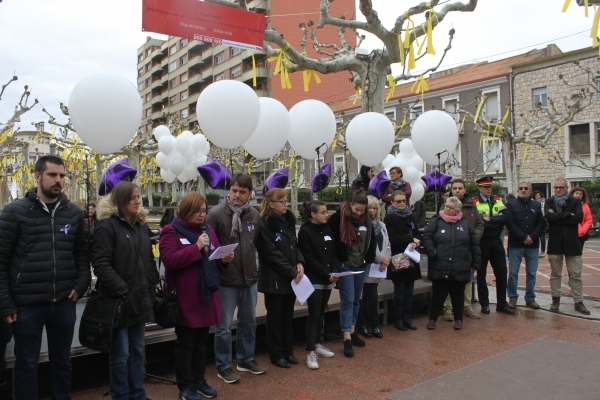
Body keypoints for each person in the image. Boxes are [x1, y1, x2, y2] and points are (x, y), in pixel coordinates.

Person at [0, 155, 90, 400]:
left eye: (61, 175)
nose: (58, 180)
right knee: (27, 364)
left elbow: (81, 254)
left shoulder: (72, 213)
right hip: (26, 305)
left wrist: (80, 285)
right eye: (52, 175)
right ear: (38, 176)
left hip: (63, 302)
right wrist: (6, 303)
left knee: (62, 361)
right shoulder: (14, 213)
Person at [160, 193, 234, 400]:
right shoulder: (170, 231)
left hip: (206, 296)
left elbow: (214, 256)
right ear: (186, 210)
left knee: (201, 342)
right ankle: (185, 385)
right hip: (185, 298)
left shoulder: (208, 230)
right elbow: (170, 260)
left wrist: (225, 258)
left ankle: (199, 380)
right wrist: (196, 248)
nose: (202, 215)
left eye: (204, 211)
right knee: (186, 344)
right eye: (197, 211)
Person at [93, 181, 159, 400]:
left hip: (140, 299)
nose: (137, 201)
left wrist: (151, 281)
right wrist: (122, 288)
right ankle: (121, 395)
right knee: (120, 354)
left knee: (137, 351)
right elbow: (101, 264)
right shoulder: (107, 226)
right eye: (132, 198)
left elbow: (148, 257)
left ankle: (138, 393)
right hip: (118, 302)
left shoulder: (140, 225)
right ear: (121, 201)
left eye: (138, 197)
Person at [206, 174, 266, 382]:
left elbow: (253, 244)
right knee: (223, 326)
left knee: (248, 322)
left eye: (242, 192)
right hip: (225, 281)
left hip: (249, 277)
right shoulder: (215, 215)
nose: (237, 195)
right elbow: (209, 247)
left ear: (250, 193)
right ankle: (223, 365)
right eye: (234, 191)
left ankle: (245, 358)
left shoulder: (254, 215)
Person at [256, 189, 304, 368]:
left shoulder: (288, 222)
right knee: (275, 318)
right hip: (274, 280)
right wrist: (292, 272)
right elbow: (271, 255)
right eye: (282, 201)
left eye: (286, 201)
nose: (286, 204)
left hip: (291, 278)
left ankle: (288, 350)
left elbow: (294, 244)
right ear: (271, 205)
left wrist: (299, 262)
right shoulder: (264, 225)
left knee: (287, 317)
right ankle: (276, 354)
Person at [328, 190, 376, 358]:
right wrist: (338, 264)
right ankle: (346, 336)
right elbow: (332, 242)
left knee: (357, 299)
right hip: (346, 265)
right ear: (350, 205)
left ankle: (353, 329)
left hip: (361, 265)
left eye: (362, 210)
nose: (359, 213)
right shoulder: (338, 218)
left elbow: (371, 240)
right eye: (356, 210)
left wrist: (369, 258)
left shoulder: (368, 220)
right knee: (347, 300)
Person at [423, 197, 482, 330]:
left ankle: (459, 320)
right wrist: (433, 252)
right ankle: (432, 319)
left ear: (458, 210)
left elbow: (474, 244)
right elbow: (427, 237)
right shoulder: (436, 221)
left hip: (460, 265)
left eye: (450, 207)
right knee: (438, 294)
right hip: (440, 264)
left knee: (458, 294)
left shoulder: (465, 224)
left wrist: (476, 263)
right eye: (446, 206)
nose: (447, 209)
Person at [298, 201, 339, 369]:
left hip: (328, 279)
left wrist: (335, 271)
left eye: (326, 211)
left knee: (321, 313)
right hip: (315, 280)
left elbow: (333, 252)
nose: (326, 214)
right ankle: (310, 352)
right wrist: (325, 273)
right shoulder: (305, 231)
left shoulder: (327, 228)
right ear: (313, 214)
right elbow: (308, 258)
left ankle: (317, 344)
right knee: (314, 315)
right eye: (322, 212)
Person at [442, 179, 484, 321]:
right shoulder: (445, 206)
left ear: (465, 190)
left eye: (460, 188)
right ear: (451, 190)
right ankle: (448, 308)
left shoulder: (472, 206)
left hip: (467, 250)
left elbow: (479, 224)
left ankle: (467, 306)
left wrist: (472, 238)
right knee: (449, 279)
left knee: (467, 279)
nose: (458, 190)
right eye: (455, 188)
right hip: (450, 250)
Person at [546, 179, 588, 314]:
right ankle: (555, 300)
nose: (558, 190)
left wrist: (557, 216)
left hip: (572, 243)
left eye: (561, 187)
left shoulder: (574, 201)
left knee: (575, 274)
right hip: (555, 242)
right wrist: (568, 214)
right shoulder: (549, 201)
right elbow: (549, 217)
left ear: (566, 187)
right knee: (555, 274)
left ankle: (578, 301)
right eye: (556, 187)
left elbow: (579, 218)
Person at [473, 176, 514, 315]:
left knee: (502, 272)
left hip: (496, 241)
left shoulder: (497, 200)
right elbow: (477, 222)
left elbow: (507, 218)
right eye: (485, 187)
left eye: (490, 187)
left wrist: (490, 219)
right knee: (481, 274)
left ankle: (502, 303)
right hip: (482, 241)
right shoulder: (475, 202)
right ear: (480, 188)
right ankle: (484, 303)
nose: (488, 189)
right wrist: (497, 220)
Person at [504, 181, 545, 310]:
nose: (523, 190)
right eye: (521, 188)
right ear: (517, 190)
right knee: (513, 273)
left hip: (532, 245)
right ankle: (512, 298)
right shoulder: (511, 205)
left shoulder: (536, 205)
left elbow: (541, 224)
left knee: (532, 273)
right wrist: (523, 237)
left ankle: (530, 298)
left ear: (530, 191)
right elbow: (510, 223)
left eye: (526, 188)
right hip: (516, 244)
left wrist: (532, 237)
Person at [384, 191, 422, 331]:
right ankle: (398, 319)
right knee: (399, 291)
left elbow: (417, 233)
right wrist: (410, 239)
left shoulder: (410, 216)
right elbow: (393, 238)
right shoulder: (389, 218)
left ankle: (407, 318)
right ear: (392, 202)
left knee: (409, 291)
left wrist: (416, 242)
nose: (401, 204)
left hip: (411, 256)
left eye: (403, 201)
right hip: (398, 258)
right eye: (398, 201)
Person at [357, 196, 390, 339]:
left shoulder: (381, 225)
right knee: (364, 296)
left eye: (375, 208)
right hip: (367, 264)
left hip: (379, 266)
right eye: (370, 207)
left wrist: (386, 259)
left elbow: (387, 243)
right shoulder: (362, 225)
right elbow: (368, 246)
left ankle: (375, 324)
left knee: (373, 295)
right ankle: (363, 324)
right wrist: (381, 258)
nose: (372, 210)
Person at [571, 187, 592, 251]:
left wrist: (583, 230)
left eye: (580, 194)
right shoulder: (567, 204)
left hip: (581, 233)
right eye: (576, 193)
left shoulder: (585, 206)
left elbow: (588, 219)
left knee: (578, 252)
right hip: (569, 232)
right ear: (572, 194)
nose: (578, 195)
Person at [532, 190, 547, 258]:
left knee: (542, 237)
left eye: (539, 195)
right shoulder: (532, 202)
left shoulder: (544, 202)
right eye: (537, 195)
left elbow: (545, 211)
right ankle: (536, 251)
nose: (538, 197)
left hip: (543, 220)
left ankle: (542, 251)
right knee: (535, 236)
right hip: (534, 220)